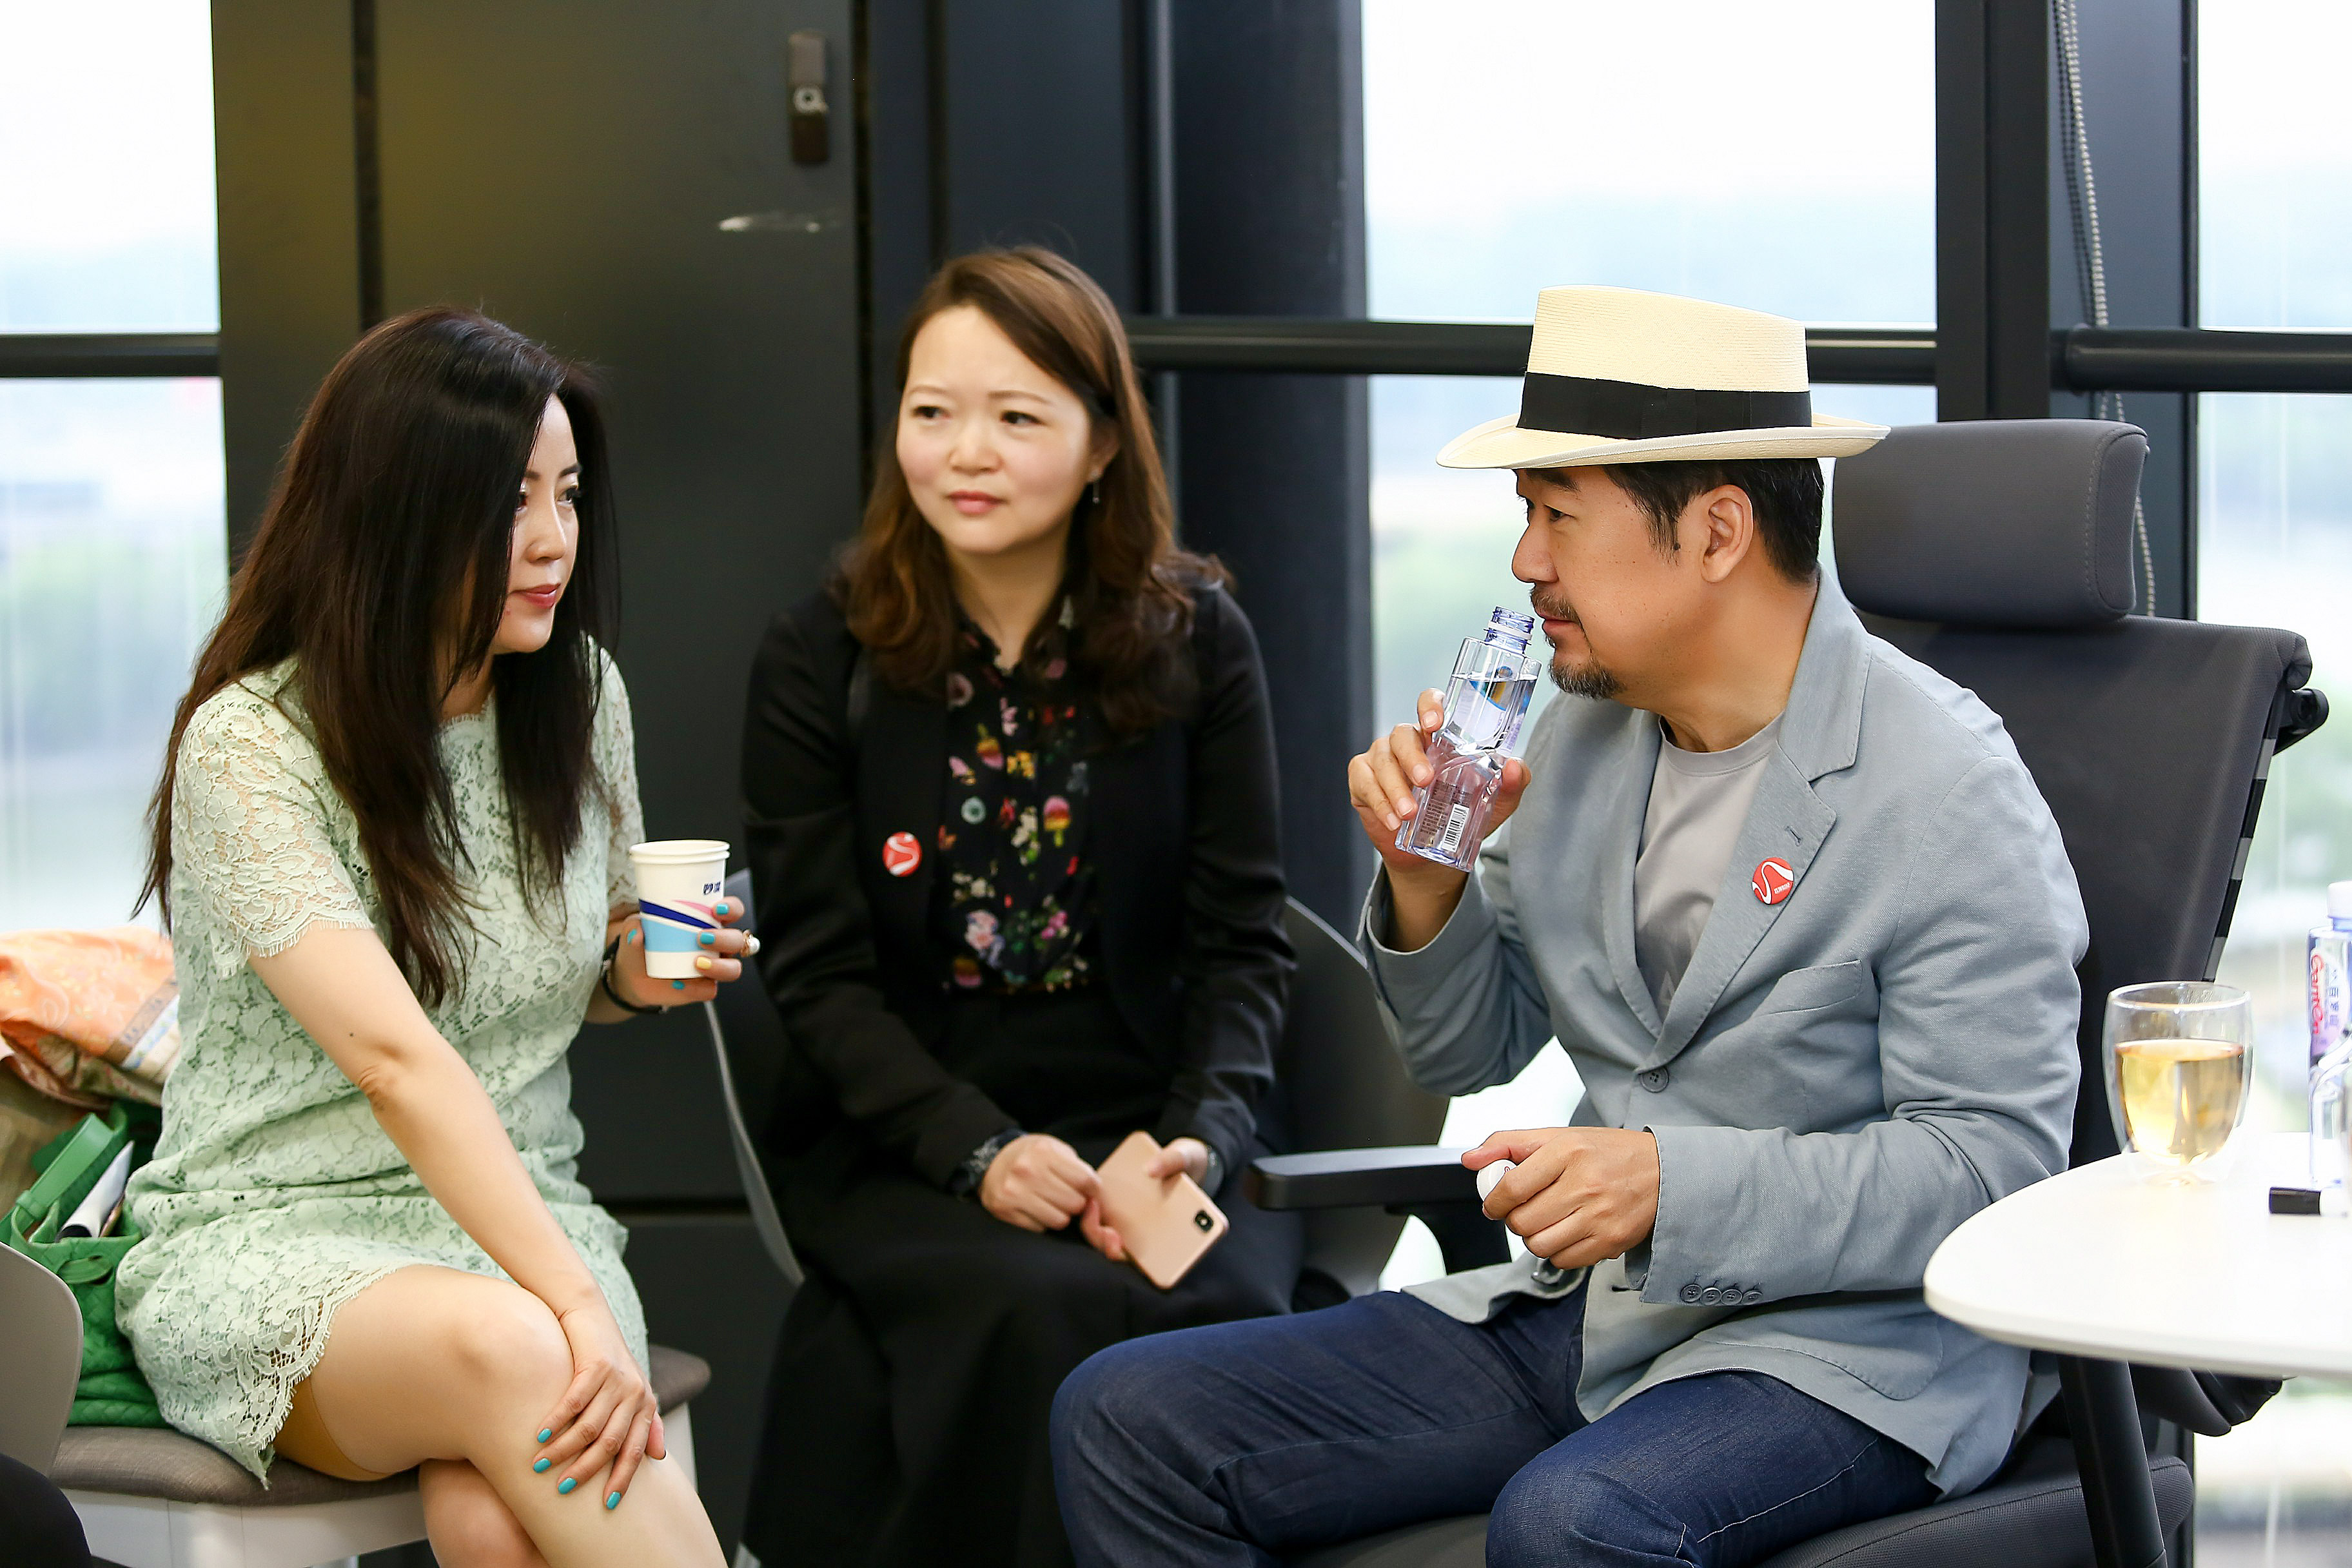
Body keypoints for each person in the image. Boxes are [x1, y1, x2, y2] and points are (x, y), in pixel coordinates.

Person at [1051, 286, 2089, 1567]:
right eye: (1525, 516)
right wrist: (1424, 880)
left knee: (1572, 1524)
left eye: (1558, 516)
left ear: (1717, 531)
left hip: (1847, 1349)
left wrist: (1669, 1186)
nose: (1525, 562)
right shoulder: (1587, 733)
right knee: (1129, 1418)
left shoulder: (1945, 786)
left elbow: (1993, 1169)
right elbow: (1466, 1049)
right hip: (1604, 1311)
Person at [120, 308, 740, 1568]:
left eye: (568, 494)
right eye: (509, 503)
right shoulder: (256, 745)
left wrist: (635, 978)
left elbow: (564, 979)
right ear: (393, 511)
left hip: (521, 1213)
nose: (554, 539)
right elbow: (401, 1064)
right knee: (525, 1351)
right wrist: (573, 1302)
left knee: (492, 1520)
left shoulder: (579, 695)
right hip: (283, 1229)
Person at [736, 246, 1299, 1568]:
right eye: (933, 412)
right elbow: (818, 975)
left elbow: (1243, 943)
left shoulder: (1200, 639)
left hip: (1150, 1118)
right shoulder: (820, 656)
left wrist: (1198, 1138)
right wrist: (979, 1150)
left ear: (1102, 444)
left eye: (1017, 416)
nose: (966, 454)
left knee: (1193, 1311)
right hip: (911, 1130)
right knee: (1030, 1309)